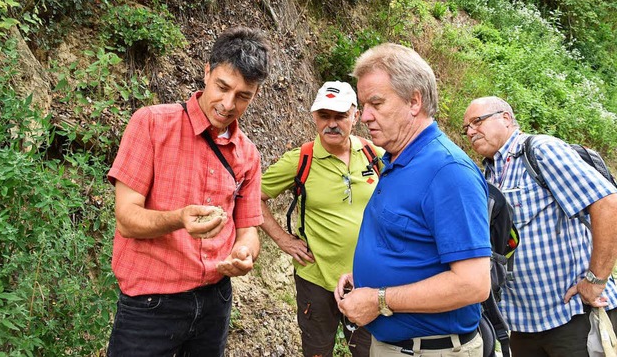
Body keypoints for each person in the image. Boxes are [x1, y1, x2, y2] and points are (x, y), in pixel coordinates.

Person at [106, 26, 271, 356]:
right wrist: (179, 219)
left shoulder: (248, 155)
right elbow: (126, 219)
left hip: (216, 300)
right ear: (207, 71)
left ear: (255, 95)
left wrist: (245, 253)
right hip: (150, 305)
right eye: (222, 87)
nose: (228, 104)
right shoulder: (151, 124)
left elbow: (249, 230)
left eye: (243, 96)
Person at [335, 43, 491, 356]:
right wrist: (363, 277)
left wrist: (379, 298)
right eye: (363, 105)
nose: (364, 116)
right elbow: (410, 245)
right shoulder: (397, 160)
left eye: (376, 103)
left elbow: (473, 284)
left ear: (414, 101)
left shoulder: (447, 171)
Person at [463, 96, 617, 356]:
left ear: (506, 118)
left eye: (477, 121)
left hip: (572, 318)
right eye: (465, 128)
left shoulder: (540, 151)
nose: (470, 131)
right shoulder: (488, 174)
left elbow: (607, 203)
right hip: (523, 325)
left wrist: (595, 280)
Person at [260, 81, 383, 357]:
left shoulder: (374, 155)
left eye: (340, 116)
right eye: (324, 116)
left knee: (369, 351)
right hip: (315, 278)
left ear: (355, 115)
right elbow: (251, 196)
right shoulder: (300, 160)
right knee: (317, 351)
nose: (332, 124)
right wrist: (283, 240)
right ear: (314, 117)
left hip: (367, 278)